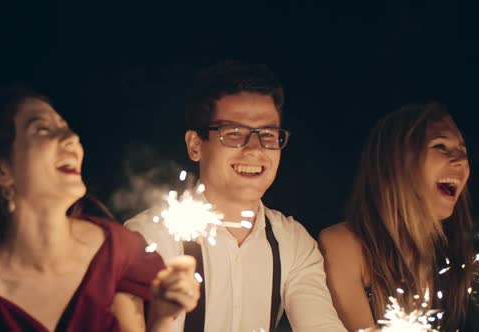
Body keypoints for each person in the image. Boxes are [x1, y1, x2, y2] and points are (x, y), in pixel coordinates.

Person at [0, 85, 200, 332]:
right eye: (42, 129)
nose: (71, 138)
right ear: (1, 170)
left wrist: (163, 317)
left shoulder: (118, 252)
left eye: (66, 127)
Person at [125, 62, 347, 332]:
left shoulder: (293, 243)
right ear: (195, 145)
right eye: (234, 134)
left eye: (267, 134)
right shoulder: (150, 238)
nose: (254, 149)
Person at [318, 102, 475, 331]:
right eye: (440, 146)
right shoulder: (344, 244)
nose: (459, 159)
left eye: (463, 150)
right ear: (395, 163)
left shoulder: (462, 253)